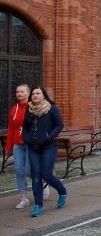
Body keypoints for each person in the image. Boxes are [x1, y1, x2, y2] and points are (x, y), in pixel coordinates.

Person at [22, 86, 68, 217]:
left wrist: (50, 136)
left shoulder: (52, 108)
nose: (35, 95)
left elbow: (59, 125)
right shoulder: (29, 110)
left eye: (38, 93)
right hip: (33, 147)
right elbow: (25, 127)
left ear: (44, 95)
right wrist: (26, 137)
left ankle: (63, 191)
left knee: (46, 175)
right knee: (36, 175)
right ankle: (38, 205)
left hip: (49, 147)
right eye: (33, 94)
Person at [5, 83, 49, 209]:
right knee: (19, 171)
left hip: (30, 144)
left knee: (29, 171)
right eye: (17, 91)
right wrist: (9, 145)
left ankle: (42, 181)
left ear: (28, 93)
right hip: (18, 145)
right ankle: (24, 198)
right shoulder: (14, 108)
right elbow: (11, 128)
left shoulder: (33, 107)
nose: (19, 94)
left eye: (22, 91)